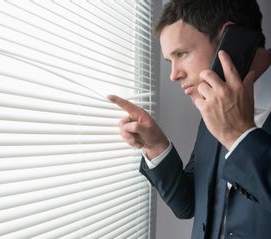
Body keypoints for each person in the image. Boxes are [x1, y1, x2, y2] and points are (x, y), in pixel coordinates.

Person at [108, 0, 271, 238]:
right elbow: (190, 205)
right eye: (169, 61)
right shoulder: (211, 107)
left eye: (181, 54)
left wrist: (239, 136)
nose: (174, 75)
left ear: (231, 39)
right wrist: (156, 146)